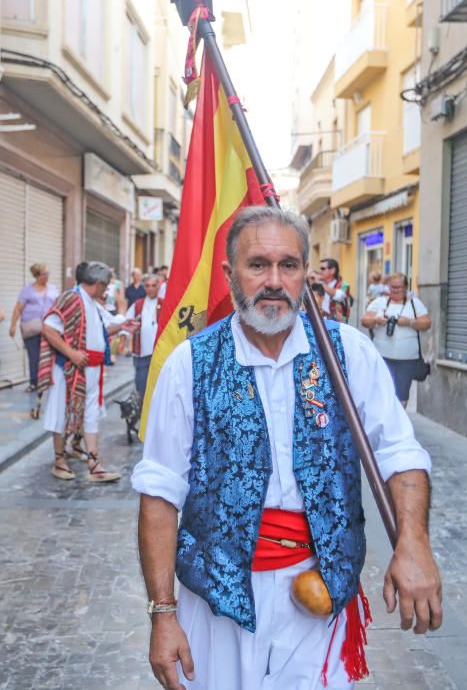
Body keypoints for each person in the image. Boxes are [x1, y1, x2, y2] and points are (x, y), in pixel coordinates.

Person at [132, 207, 442, 690]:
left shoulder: (349, 354)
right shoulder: (189, 365)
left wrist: (414, 544)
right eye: (258, 265)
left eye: (289, 265)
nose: (274, 281)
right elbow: (160, 493)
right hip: (217, 605)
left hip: (321, 596)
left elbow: (399, 453)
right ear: (230, 274)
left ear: (306, 273)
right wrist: (163, 614)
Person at [38, 261, 136, 483]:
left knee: (90, 414)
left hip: (91, 369)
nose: (106, 290)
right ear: (98, 283)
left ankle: (94, 462)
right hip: (69, 368)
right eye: (106, 286)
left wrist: (123, 326)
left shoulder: (92, 302)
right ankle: (59, 460)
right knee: (61, 412)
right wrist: (71, 353)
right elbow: (48, 327)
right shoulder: (72, 298)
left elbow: (102, 328)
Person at [361, 273, 432, 407]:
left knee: (402, 395)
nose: (395, 290)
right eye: (392, 287)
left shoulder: (414, 304)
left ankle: (398, 423)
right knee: (381, 392)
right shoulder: (380, 302)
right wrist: (376, 320)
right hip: (382, 357)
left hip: (407, 359)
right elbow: (365, 320)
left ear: (405, 287)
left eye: (398, 287)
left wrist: (410, 322)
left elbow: (427, 323)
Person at [9, 264, 59, 392]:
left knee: (51, 354)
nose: (47, 276)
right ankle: (34, 383)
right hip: (32, 327)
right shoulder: (27, 290)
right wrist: (13, 325)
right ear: (36, 275)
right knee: (34, 356)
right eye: (44, 273)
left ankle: (49, 380)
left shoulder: (53, 289)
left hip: (49, 327)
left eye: (48, 273)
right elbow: (18, 308)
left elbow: (58, 306)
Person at [126, 274, 160, 400]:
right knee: (141, 385)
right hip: (141, 353)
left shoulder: (164, 303)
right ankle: (142, 414)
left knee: (158, 387)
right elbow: (126, 322)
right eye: (147, 286)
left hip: (159, 353)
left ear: (158, 287)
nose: (150, 288)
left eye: (153, 285)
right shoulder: (138, 304)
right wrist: (122, 340)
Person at [309, 258, 351, 323]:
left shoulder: (344, 285)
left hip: (337, 324)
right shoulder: (318, 284)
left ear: (332, 271)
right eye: (320, 269)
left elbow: (339, 296)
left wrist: (320, 283)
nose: (320, 271)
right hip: (320, 322)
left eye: (323, 269)